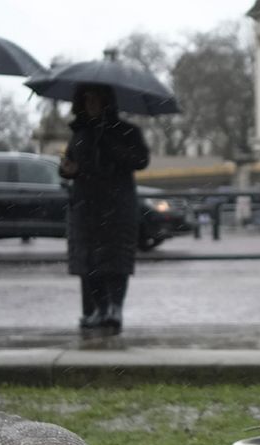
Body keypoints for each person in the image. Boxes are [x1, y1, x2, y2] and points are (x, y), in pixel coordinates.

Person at [61, 84, 149, 334]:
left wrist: (108, 143)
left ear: (105, 102)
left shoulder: (126, 131)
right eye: (87, 100)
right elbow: (70, 162)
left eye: (96, 99)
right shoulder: (79, 132)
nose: (91, 104)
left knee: (116, 259)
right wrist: (68, 169)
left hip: (116, 205)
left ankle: (115, 308)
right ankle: (99, 309)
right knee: (89, 260)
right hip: (85, 205)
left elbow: (140, 160)